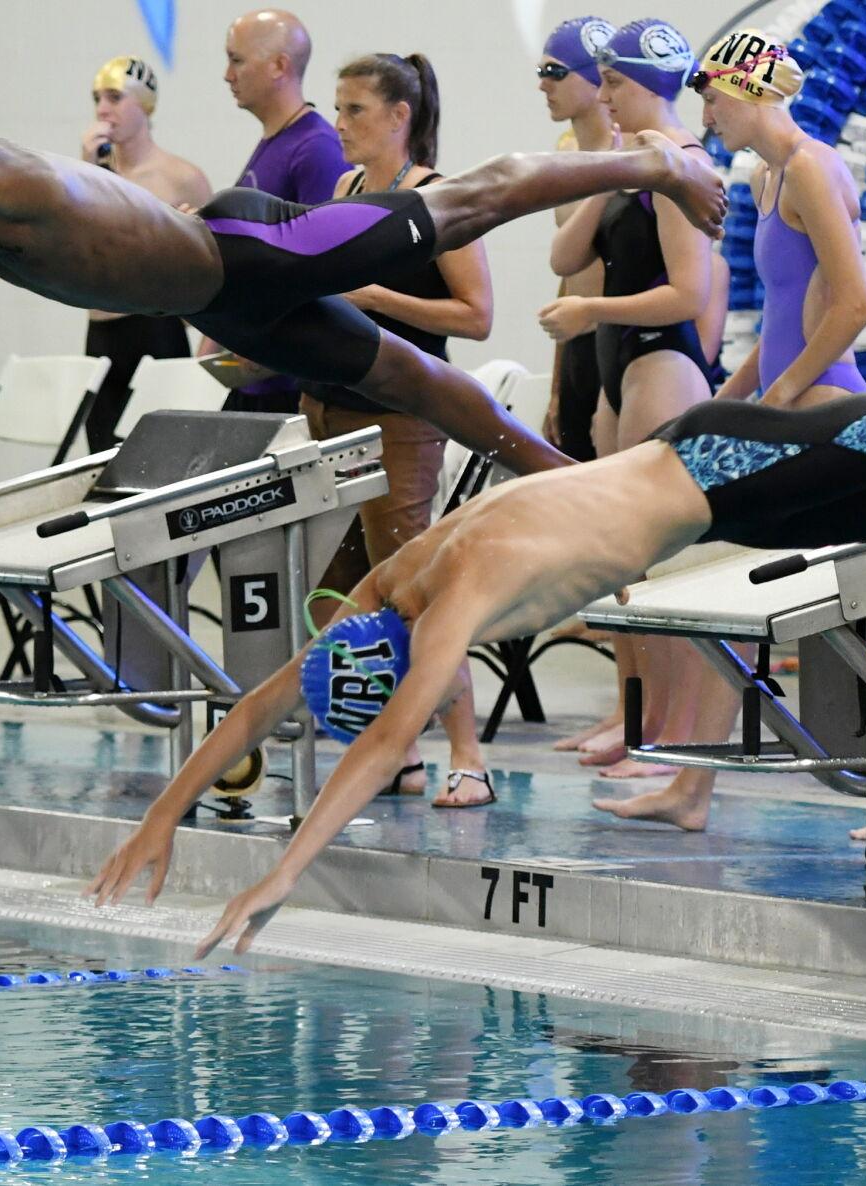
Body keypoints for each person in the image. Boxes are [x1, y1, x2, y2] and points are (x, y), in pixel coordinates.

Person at [87, 348, 866, 953]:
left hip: (727, 462)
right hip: (723, 501)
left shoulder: (455, 600)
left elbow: (383, 746)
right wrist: (162, 819)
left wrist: (285, 871)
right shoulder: (385, 593)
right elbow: (263, 701)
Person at [0, 130, 728, 479]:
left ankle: (649, 160)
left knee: (467, 205)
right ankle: (582, 489)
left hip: (250, 250)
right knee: (403, 384)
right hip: (229, 307)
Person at [677, 29, 866, 838]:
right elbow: (791, 314)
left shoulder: (815, 168)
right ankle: (689, 788)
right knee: (717, 580)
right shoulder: (767, 178)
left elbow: (853, 304)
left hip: (828, 409)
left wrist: (782, 398)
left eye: (712, 98)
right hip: (793, 405)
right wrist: (725, 401)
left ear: (752, 91)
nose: (707, 115)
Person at [302, 52, 493, 807]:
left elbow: (474, 317)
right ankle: (399, 752)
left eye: (352, 110)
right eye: (337, 107)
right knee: (333, 592)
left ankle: (468, 755)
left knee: (414, 593)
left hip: (399, 416)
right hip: (329, 409)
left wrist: (375, 295)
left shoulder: (436, 199)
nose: (338, 124)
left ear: (397, 116)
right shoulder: (345, 188)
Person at [542, 20, 718, 780]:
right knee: (623, 564)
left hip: (659, 364)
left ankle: (668, 733)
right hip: (622, 369)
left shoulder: (681, 167)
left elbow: (687, 292)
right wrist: (605, 170)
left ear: (643, 84)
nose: (601, 95)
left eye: (611, 82)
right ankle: (638, 718)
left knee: (657, 567)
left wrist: (592, 315)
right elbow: (562, 255)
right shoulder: (631, 163)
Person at [221, 9, 349, 414]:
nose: (227, 75)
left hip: (289, 381)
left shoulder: (316, 150)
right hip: (258, 368)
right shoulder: (277, 142)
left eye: (237, 60)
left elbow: (325, 269)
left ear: (279, 66)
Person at [79, 56, 210, 450]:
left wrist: (205, 358)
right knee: (102, 468)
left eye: (115, 97)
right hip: (101, 334)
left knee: (166, 461)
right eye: (98, 98)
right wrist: (89, 174)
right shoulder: (86, 176)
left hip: (158, 332)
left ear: (145, 105)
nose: (102, 109)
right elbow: (75, 256)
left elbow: (217, 268)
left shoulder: (181, 178)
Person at [537, 17, 616, 463]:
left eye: (554, 72)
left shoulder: (636, 162)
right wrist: (555, 386)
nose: (543, 85)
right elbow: (570, 278)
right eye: (541, 73)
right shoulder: (565, 156)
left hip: (621, 349)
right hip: (578, 354)